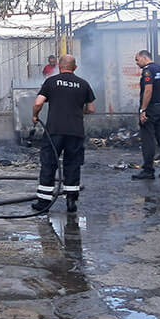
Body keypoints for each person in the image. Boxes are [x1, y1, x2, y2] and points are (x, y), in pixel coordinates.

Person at [31, 54, 96, 213]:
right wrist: (78, 111)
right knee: (73, 164)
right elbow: (91, 109)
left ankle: (44, 202)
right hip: (75, 131)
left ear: (59, 67)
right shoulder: (83, 84)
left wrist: (35, 116)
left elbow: (38, 103)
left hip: (54, 131)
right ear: (75, 67)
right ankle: (71, 201)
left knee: (49, 163)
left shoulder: (51, 81)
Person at [132, 49, 160, 180]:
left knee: (148, 140)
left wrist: (143, 110)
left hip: (150, 109)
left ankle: (148, 171)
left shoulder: (148, 71)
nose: (136, 63)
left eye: (137, 59)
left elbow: (148, 90)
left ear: (144, 57)